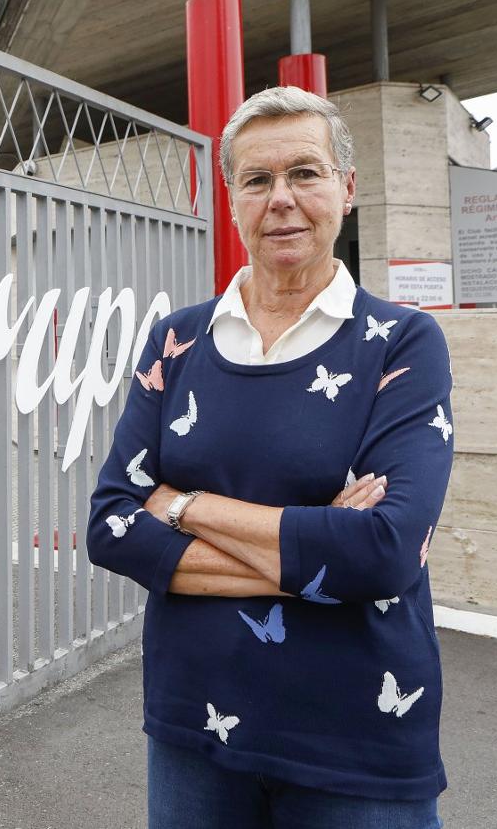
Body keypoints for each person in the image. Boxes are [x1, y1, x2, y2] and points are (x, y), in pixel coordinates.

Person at [86, 86, 453, 829]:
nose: (281, 198)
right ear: (233, 203)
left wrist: (184, 505)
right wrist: (319, 550)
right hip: (195, 723)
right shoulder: (177, 342)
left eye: (305, 173)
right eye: (257, 179)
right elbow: (112, 526)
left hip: (356, 738)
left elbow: (384, 552)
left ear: (347, 189)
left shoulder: (401, 343)